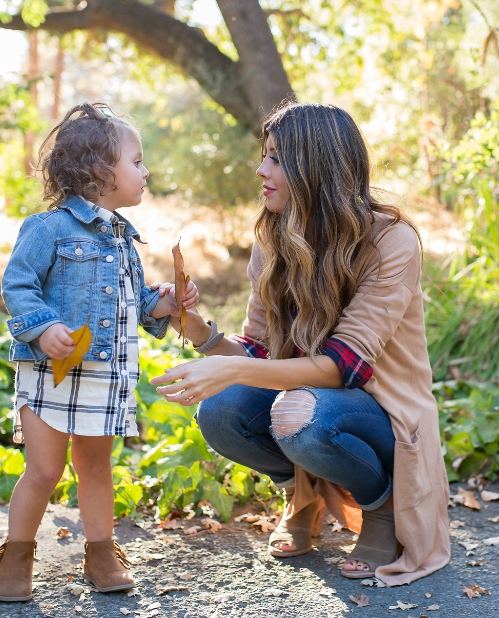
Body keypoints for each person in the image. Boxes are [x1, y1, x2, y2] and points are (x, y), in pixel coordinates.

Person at [150, 102, 451, 586]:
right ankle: (301, 494)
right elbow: (260, 354)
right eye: (263, 156)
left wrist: (237, 371)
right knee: (220, 410)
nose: (260, 170)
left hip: (383, 411)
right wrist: (193, 328)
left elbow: (340, 368)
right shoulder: (273, 237)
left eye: (274, 158)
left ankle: (380, 508)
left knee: (296, 413)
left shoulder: (392, 241)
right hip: (305, 398)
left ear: (315, 167)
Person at [0, 103, 197, 602]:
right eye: (137, 161)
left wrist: (162, 303)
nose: (146, 172)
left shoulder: (124, 240)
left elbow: (129, 302)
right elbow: (17, 285)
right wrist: (42, 329)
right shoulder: (48, 229)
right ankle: (16, 557)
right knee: (43, 469)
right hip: (50, 369)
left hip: (104, 371)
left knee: (96, 466)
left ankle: (101, 552)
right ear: (98, 172)